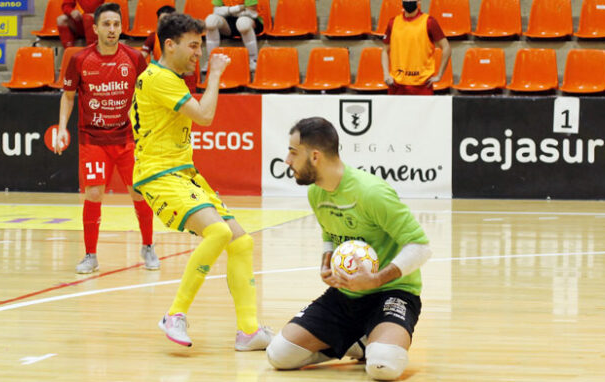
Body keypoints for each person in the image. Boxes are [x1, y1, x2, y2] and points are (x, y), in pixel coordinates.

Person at [130, 12, 272, 351]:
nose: (199, 52)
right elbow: (205, 116)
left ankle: (249, 331)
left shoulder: (170, 78)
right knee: (220, 232)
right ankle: (174, 314)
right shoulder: (159, 78)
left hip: (183, 172)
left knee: (241, 242)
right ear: (170, 44)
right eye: (193, 46)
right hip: (159, 175)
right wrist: (217, 74)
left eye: (199, 46)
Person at [267, 117, 433, 381]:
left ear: (316, 156)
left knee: (384, 368)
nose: (287, 160)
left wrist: (376, 279)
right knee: (279, 355)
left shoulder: (371, 192)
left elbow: (421, 247)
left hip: (393, 292)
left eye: (293, 152)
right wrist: (326, 261)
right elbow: (329, 233)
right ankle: (358, 340)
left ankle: (372, 341)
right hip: (346, 294)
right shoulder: (317, 193)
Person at [53, 3, 158, 274]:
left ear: (121, 28)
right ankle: (90, 255)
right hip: (92, 139)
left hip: (127, 139)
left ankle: (148, 246)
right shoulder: (80, 59)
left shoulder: (135, 58)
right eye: (106, 25)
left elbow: (146, 97)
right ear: (96, 28)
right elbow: (67, 96)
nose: (112, 30)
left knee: (138, 192)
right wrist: (62, 127)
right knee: (94, 193)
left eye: (116, 25)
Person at [382, 0, 451, 95]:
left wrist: (439, 75)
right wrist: (386, 74)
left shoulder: (429, 22)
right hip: (396, 85)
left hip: (422, 85)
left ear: (419, 1)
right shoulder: (393, 22)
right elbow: (385, 51)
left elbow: (446, 47)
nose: (408, 1)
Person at [140, 5, 197, 91]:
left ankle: (191, 95)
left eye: (166, 22)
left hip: (179, 72)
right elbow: (141, 56)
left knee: (188, 66)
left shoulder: (183, 36)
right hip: (160, 74)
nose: (163, 25)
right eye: (161, 21)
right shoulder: (153, 37)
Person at [204, 0, 263, 71]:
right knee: (210, 20)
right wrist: (237, 8)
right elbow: (216, 11)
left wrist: (225, 11)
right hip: (228, 23)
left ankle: (253, 60)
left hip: (249, 21)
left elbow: (251, 13)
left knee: (243, 23)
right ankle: (211, 60)